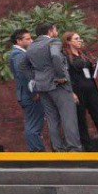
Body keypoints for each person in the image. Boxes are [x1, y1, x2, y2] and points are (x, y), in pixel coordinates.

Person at [21, 23, 82, 151]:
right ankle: (74, 148)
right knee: (68, 116)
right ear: (50, 31)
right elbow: (55, 56)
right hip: (58, 85)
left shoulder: (32, 46)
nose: (57, 31)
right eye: (55, 29)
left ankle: (58, 149)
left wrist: (34, 78)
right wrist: (60, 76)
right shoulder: (53, 42)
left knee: (52, 119)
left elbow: (23, 65)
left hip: (42, 87)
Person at [63, 31, 98, 151]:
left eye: (80, 38)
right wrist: (71, 93)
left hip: (92, 90)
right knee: (81, 121)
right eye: (76, 39)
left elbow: (89, 73)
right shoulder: (65, 57)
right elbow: (66, 76)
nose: (80, 41)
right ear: (68, 41)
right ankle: (88, 148)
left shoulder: (83, 54)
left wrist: (97, 68)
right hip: (78, 92)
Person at [8, 29, 46, 152]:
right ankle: (37, 152)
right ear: (19, 41)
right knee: (34, 124)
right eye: (28, 39)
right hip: (29, 95)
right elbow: (23, 74)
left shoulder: (17, 54)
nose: (32, 41)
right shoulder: (19, 55)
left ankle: (36, 150)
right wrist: (34, 92)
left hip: (26, 94)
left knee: (33, 123)